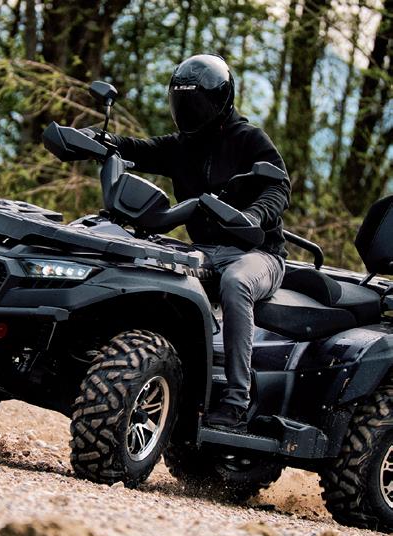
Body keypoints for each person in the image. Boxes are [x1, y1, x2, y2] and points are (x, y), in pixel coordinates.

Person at [91, 53, 291, 431]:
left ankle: (236, 399)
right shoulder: (182, 144)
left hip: (257, 252)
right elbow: (139, 149)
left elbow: (278, 186)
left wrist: (254, 215)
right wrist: (102, 140)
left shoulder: (249, 140)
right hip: (205, 251)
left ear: (220, 101)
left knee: (236, 283)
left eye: (197, 104)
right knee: (148, 265)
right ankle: (144, 372)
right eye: (182, 103)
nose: (189, 112)